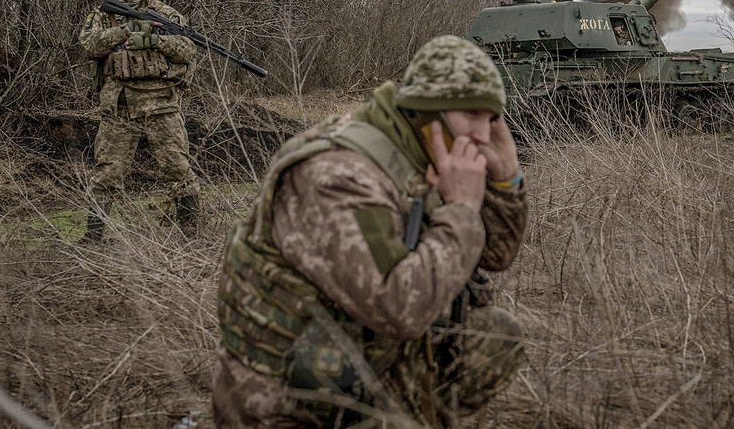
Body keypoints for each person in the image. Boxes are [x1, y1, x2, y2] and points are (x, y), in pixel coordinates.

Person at [212, 35, 529, 428]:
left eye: (491, 118)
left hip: (363, 355)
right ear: (426, 112)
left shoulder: (425, 149)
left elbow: (495, 255)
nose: (483, 135)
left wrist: (504, 179)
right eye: (470, 115)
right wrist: (462, 209)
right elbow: (398, 310)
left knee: (494, 337)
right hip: (289, 396)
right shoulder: (339, 175)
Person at [78, 0, 200, 241]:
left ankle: (192, 236)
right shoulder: (101, 15)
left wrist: (155, 40)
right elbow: (89, 45)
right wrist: (126, 31)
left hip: (162, 103)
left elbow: (187, 49)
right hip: (118, 104)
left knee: (178, 168)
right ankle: (92, 238)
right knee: (107, 172)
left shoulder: (164, 13)